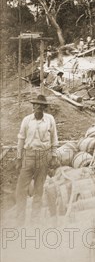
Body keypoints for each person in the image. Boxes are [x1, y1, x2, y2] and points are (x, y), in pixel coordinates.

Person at [15, 94, 59, 224]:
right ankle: (20, 221)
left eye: (41, 105)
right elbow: (21, 139)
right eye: (36, 105)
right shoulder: (27, 120)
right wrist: (18, 158)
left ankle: (34, 221)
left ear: (44, 107)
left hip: (43, 156)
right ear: (33, 106)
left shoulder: (50, 119)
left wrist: (54, 156)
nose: (38, 107)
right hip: (28, 156)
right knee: (21, 189)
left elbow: (54, 139)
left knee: (39, 189)